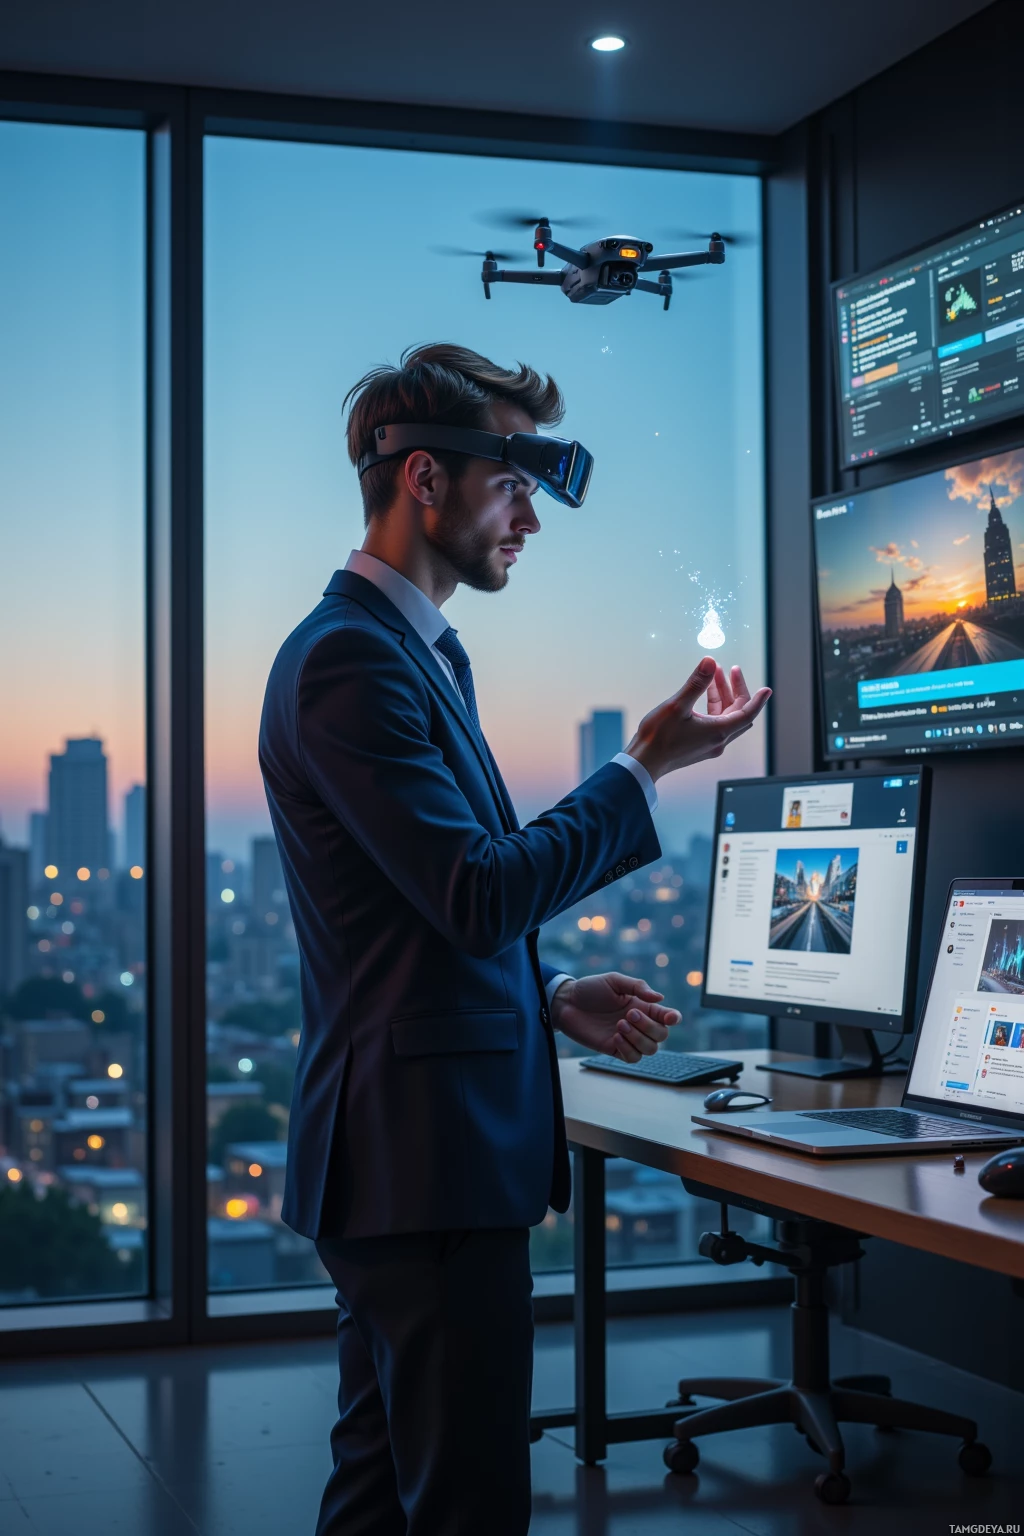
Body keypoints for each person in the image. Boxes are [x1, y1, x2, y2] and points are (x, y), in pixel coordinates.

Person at [259, 343, 770, 1536]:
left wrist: (541, 997)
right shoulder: (351, 660)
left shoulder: (412, 655)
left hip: (408, 1162)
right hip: (419, 1164)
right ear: (425, 480)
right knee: (466, 1503)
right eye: (516, 484)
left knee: (383, 1494)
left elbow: (413, 917)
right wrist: (643, 766)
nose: (531, 520)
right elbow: (479, 893)